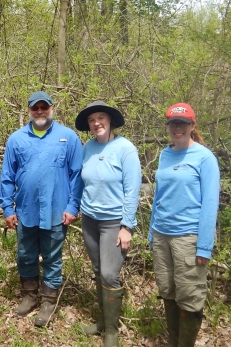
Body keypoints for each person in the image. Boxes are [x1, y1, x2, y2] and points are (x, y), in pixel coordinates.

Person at [0, 91, 84, 327]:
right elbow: (7, 177)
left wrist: (72, 206)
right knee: (25, 255)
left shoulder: (68, 137)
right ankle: (30, 295)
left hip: (57, 211)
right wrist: (7, 208)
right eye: (35, 108)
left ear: (51, 108)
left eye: (43, 107)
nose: (39, 111)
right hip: (26, 210)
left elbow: (77, 175)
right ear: (28, 110)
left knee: (52, 257)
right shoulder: (17, 139)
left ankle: (48, 300)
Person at [149, 103, 219, 347]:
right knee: (167, 291)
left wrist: (204, 247)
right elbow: (159, 196)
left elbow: (210, 203)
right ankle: (173, 341)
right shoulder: (165, 154)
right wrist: (151, 233)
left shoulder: (204, 157)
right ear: (168, 126)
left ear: (192, 126)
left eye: (182, 123)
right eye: (173, 123)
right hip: (161, 234)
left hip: (188, 237)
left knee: (189, 297)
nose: (177, 128)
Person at [74, 101, 141, 347]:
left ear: (110, 120)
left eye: (101, 118)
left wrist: (127, 226)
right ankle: (102, 321)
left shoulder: (125, 149)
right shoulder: (87, 147)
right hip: (90, 218)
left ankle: (111, 331)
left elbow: (132, 190)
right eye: (92, 120)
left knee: (110, 274)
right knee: (97, 270)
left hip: (114, 222)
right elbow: (82, 182)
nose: (96, 123)